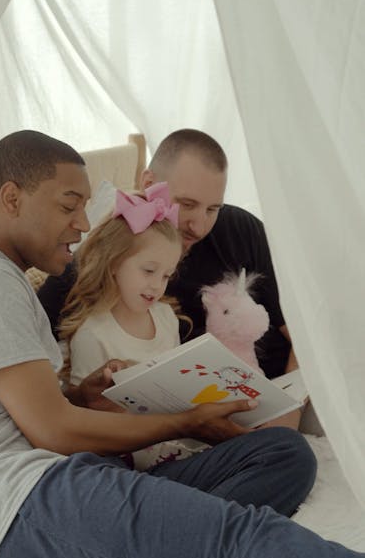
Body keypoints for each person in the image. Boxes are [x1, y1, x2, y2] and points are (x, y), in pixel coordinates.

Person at [0, 130, 365, 558]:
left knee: (285, 455)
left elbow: (31, 409)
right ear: (12, 198)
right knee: (243, 536)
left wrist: (84, 394)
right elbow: (52, 431)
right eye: (69, 205)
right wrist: (185, 420)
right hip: (14, 510)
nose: (82, 224)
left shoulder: (0, 279)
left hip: (47, 491)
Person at [37, 130, 299, 412]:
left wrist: (288, 410)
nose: (199, 226)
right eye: (187, 205)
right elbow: (35, 363)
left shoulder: (241, 230)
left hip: (271, 395)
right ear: (149, 183)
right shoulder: (101, 261)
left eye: (213, 209)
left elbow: (303, 339)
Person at [59, 181, 204, 470]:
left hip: (176, 443)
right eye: (149, 271)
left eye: (166, 276)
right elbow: (83, 418)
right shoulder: (93, 333)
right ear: (114, 263)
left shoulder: (166, 318)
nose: (157, 285)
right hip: (123, 456)